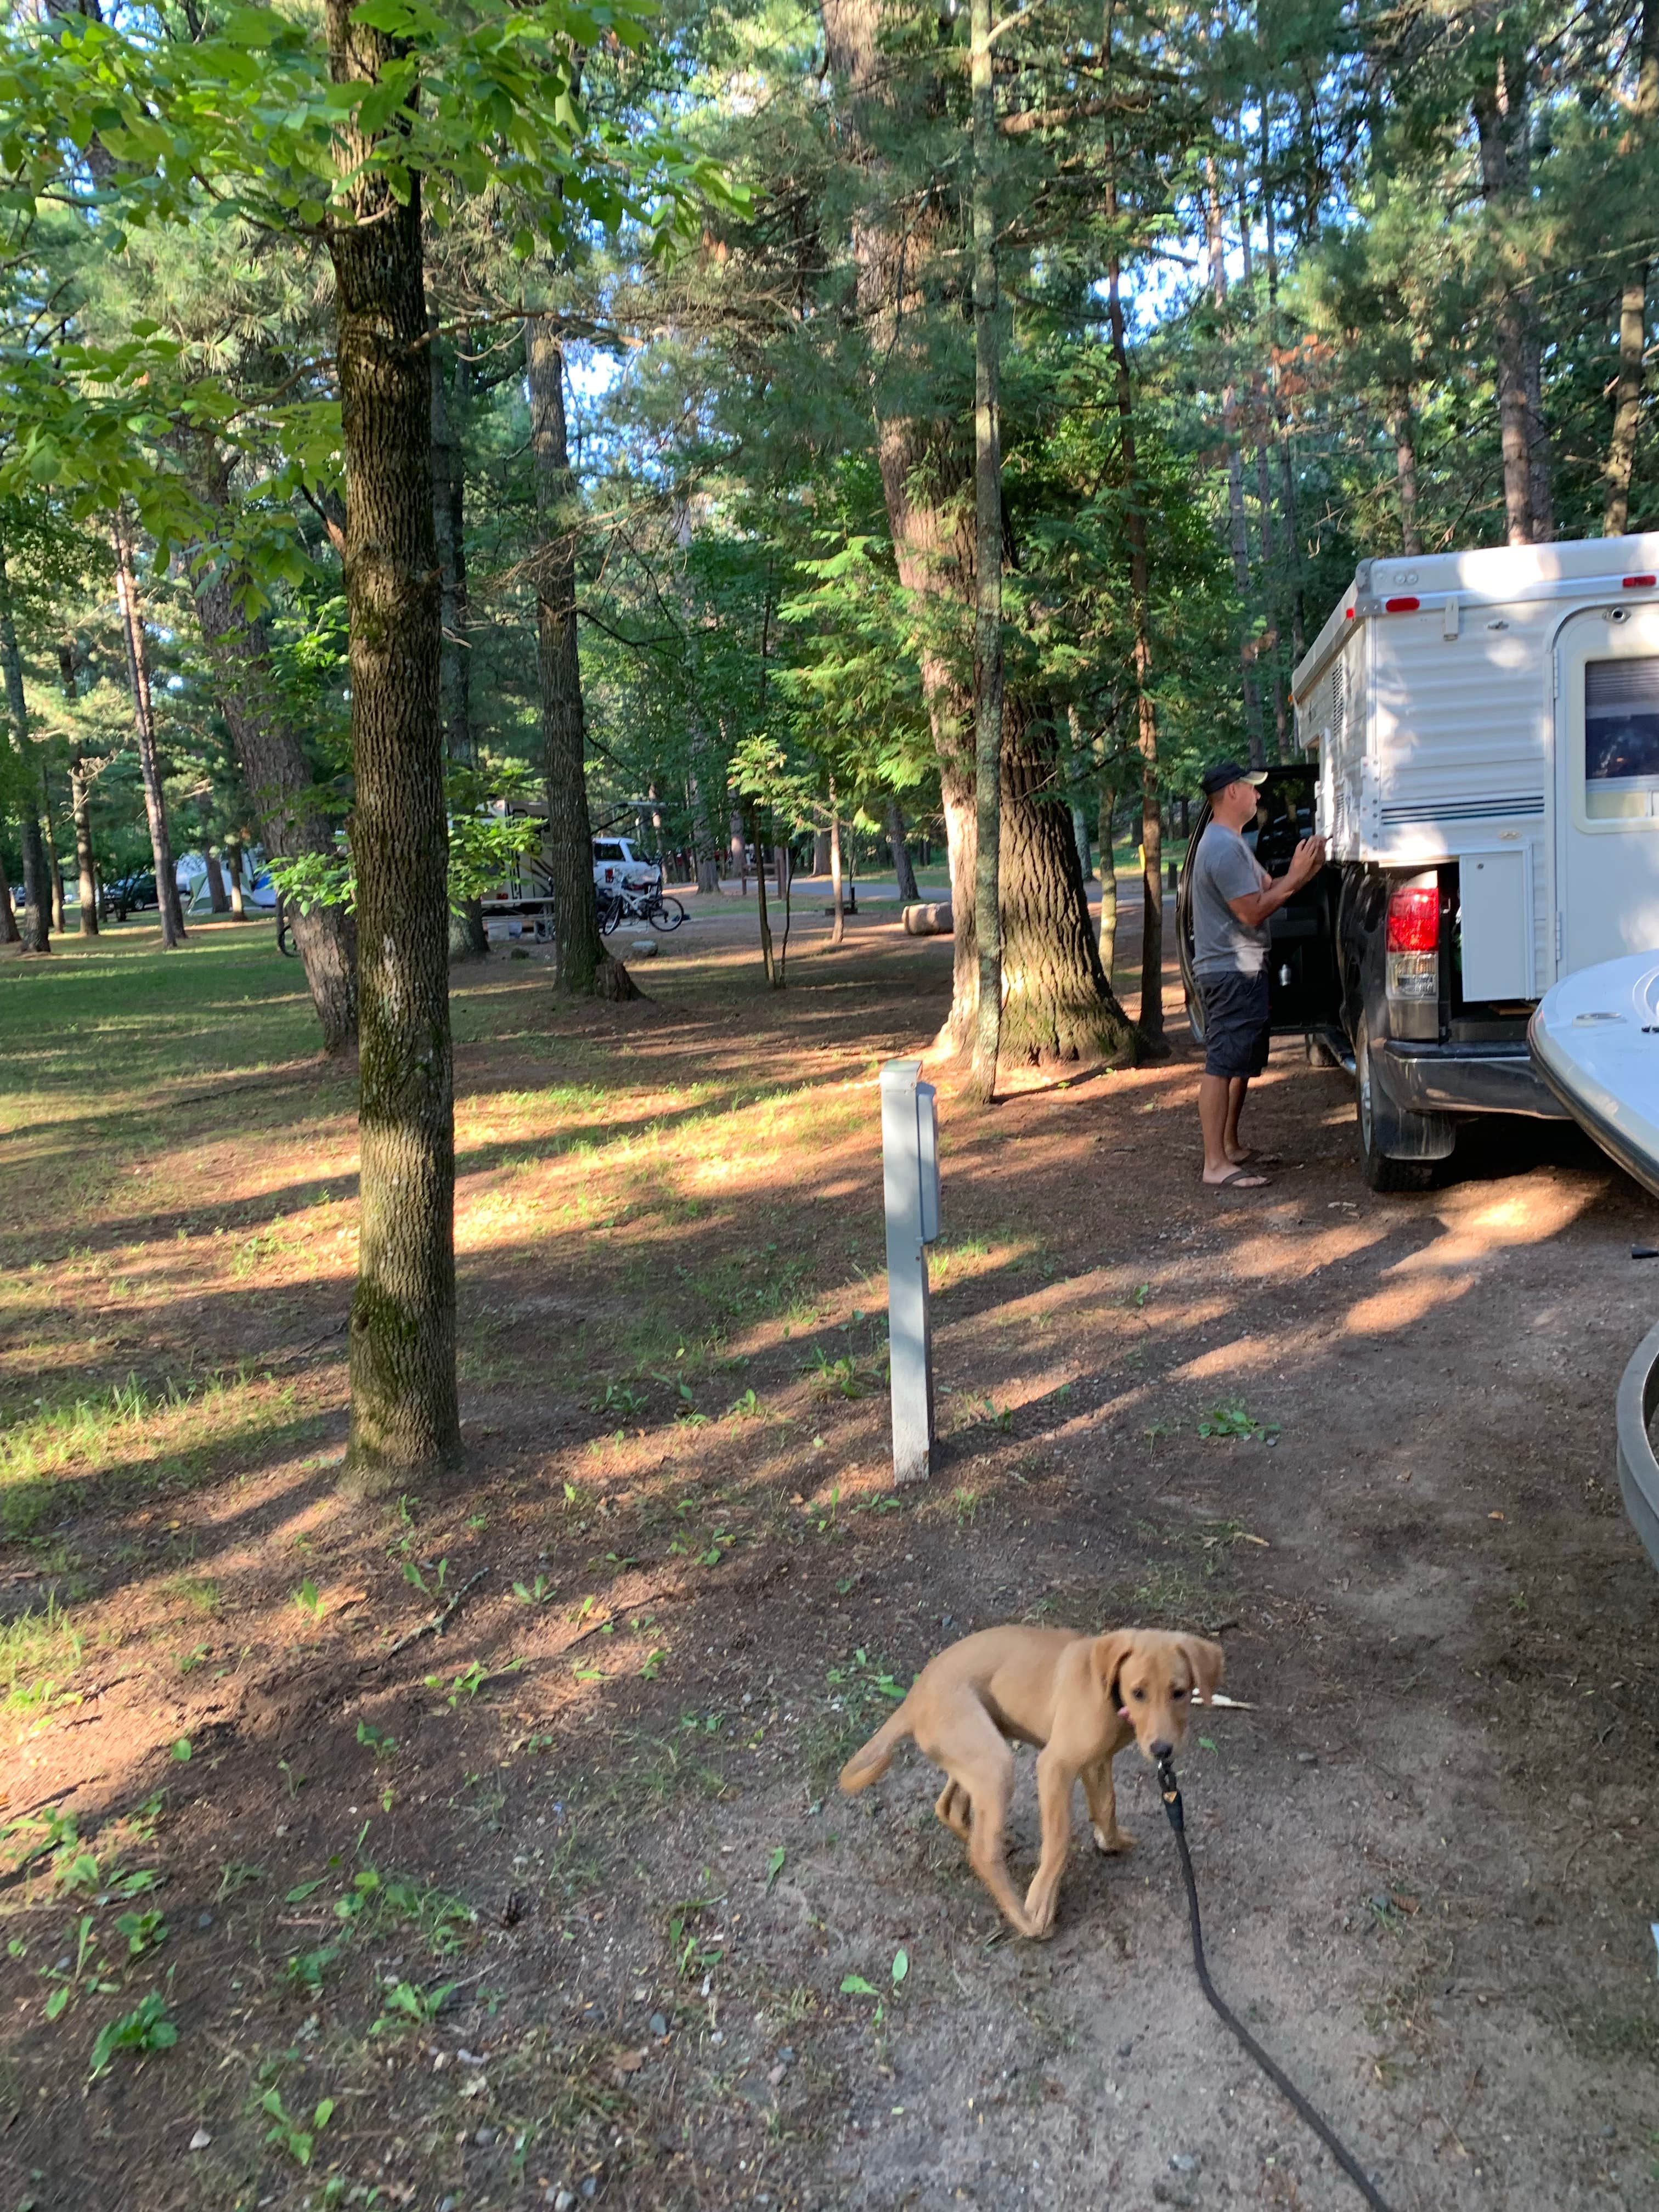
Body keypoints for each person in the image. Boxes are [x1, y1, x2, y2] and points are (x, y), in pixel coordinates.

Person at [1189, 760, 1327, 1189]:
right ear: (1232, 793)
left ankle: (1230, 1147)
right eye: (1252, 789)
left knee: (1239, 1063)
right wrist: (1297, 878)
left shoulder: (1231, 841)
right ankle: (1215, 1164)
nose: (1258, 796)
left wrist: (1303, 873)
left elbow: (1268, 887)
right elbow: (1252, 911)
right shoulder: (1223, 848)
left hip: (1241, 969)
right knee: (1222, 1064)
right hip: (1229, 971)